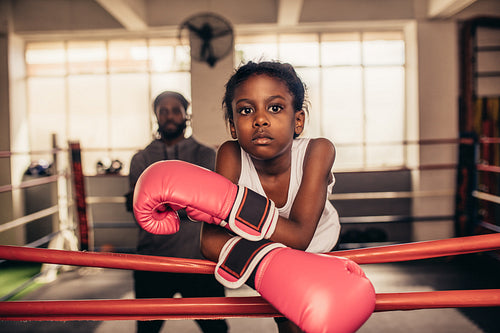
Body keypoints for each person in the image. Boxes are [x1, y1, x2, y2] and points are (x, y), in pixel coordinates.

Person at [132, 62, 375, 333]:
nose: (260, 119)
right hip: (269, 261)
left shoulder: (317, 151)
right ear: (233, 126)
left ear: (298, 120)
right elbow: (211, 243)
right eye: (246, 110)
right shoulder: (230, 154)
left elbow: (300, 236)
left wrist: (230, 204)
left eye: (275, 107)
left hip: (318, 254)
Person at [127, 91, 228, 333]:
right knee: (146, 329)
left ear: (185, 115)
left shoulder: (205, 155)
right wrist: (187, 201)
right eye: (163, 111)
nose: (169, 116)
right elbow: (139, 208)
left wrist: (163, 201)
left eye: (175, 110)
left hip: (199, 259)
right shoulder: (140, 159)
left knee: (216, 329)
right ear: (156, 117)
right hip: (152, 259)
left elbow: (210, 204)